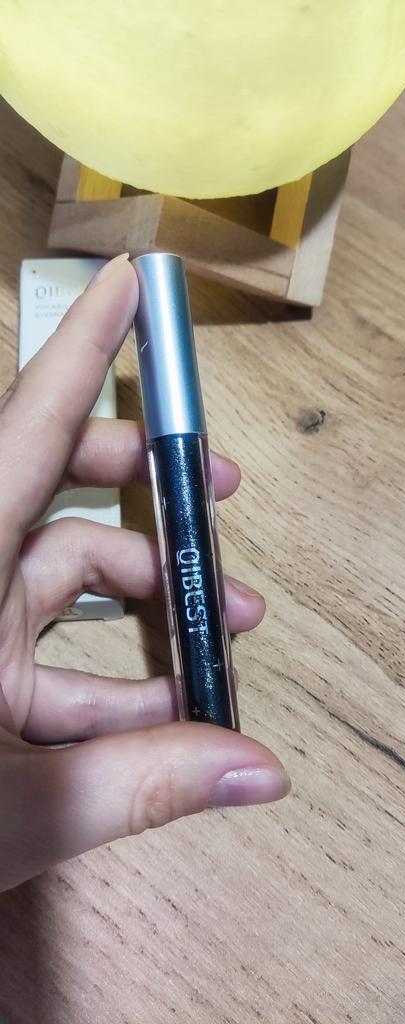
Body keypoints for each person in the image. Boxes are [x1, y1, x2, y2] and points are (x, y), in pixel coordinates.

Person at [0, 255, 290, 892]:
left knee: (194, 572)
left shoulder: (178, 444)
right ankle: (209, 732)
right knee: (197, 578)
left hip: (176, 441)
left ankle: (208, 730)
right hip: (171, 443)